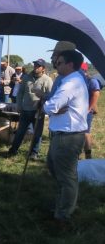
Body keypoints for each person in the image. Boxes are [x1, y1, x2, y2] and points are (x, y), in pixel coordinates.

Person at [43, 49, 89, 223]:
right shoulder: (73, 79)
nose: (56, 64)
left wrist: (48, 106)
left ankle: (63, 214)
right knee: (58, 171)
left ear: (70, 65)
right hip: (64, 134)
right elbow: (55, 107)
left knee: (66, 176)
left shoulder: (70, 83)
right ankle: (64, 204)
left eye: (60, 62)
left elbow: (51, 106)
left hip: (67, 136)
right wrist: (52, 107)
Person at [7, 59, 53, 160]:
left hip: (38, 111)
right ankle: (13, 150)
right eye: (35, 65)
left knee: (37, 134)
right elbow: (20, 93)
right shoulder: (27, 77)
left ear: (43, 68)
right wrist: (19, 105)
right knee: (20, 132)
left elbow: (51, 96)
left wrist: (43, 98)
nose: (36, 67)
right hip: (25, 110)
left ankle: (34, 153)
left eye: (38, 66)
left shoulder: (47, 80)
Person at [82, 62, 101, 159]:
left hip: (86, 112)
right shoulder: (79, 80)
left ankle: (88, 155)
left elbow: (96, 94)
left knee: (86, 133)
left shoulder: (91, 81)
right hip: (78, 111)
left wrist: (89, 109)